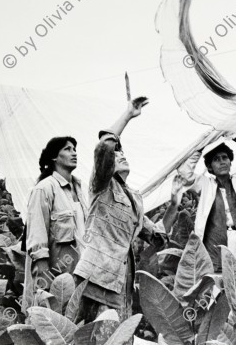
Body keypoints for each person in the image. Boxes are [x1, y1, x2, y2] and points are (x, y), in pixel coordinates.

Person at [74, 97, 165, 322]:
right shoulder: (102, 186)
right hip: (97, 278)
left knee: (117, 332)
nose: (121, 154)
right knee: (96, 331)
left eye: (123, 152)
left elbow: (158, 236)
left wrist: (174, 201)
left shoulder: (134, 198)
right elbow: (104, 146)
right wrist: (128, 115)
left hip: (121, 280)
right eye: (116, 154)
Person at [177, 135, 236, 305]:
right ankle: (219, 323)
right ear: (210, 167)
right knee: (216, 283)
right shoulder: (205, 185)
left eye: (225, 157)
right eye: (216, 159)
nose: (222, 161)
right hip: (214, 243)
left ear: (231, 162)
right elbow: (185, 173)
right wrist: (202, 147)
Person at [22, 136, 88, 313]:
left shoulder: (79, 189)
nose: (74, 152)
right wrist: (43, 280)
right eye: (67, 149)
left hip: (79, 271)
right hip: (55, 273)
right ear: (54, 157)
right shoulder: (44, 189)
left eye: (74, 149)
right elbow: (37, 236)